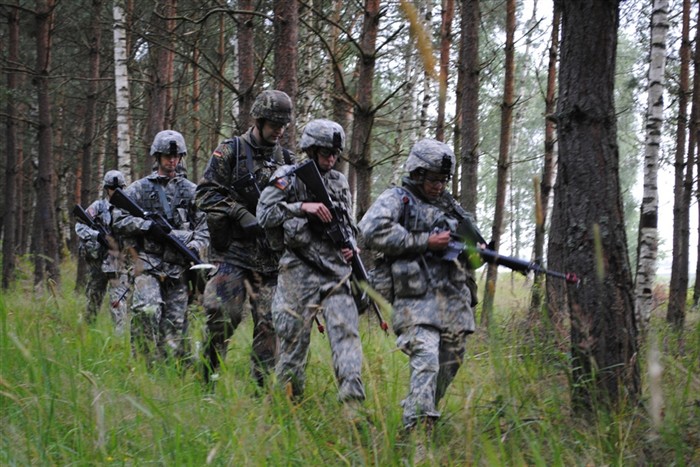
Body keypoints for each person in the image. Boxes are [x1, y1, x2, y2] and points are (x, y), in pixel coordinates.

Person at [358, 138, 480, 432]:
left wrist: (467, 246)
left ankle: (421, 406)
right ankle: (416, 431)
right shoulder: (398, 198)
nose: (439, 186)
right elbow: (370, 229)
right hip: (414, 296)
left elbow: (476, 253)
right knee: (426, 357)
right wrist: (424, 241)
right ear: (417, 173)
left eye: (443, 180)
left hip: (451, 297)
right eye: (433, 179)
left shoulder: (451, 207)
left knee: (451, 360)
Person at [257, 118, 365, 405]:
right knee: (293, 340)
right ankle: (288, 405)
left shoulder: (340, 182)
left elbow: (349, 225)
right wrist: (302, 207)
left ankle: (353, 406)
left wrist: (350, 247)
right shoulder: (288, 176)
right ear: (312, 149)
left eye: (335, 153)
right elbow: (264, 215)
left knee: (346, 336)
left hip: (335, 272)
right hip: (298, 268)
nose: (331, 158)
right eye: (326, 152)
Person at [196, 90, 295, 385]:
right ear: (259, 120)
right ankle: (207, 381)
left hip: (271, 259)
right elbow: (204, 194)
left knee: (270, 326)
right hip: (234, 254)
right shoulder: (230, 151)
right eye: (274, 124)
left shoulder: (287, 160)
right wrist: (238, 212)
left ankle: (260, 392)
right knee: (222, 315)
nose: (279, 130)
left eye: (283, 126)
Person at [111, 130, 209, 364]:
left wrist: (195, 244)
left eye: (176, 156)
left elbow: (205, 227)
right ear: (157, 156)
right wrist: (146, 226)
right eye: (167, 155)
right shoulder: (139, 188)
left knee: (174, 327)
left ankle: (168, 376)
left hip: (179, 266)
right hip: (148, 263)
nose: (172, 160)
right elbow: (117, 219)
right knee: (147, 309)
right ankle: (143, 368)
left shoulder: (191, 191)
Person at [75, 170, 130, 334]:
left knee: (118, 304)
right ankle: (87, 337)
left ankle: (118, 342)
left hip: (118, 266)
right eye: (113, 188)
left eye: (119, 188)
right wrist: (97, 236)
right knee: (93, 301)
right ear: (107, 189)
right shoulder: (98, 207)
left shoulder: (128, 210)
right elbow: (79, 226)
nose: (116, 191)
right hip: (98, 264)